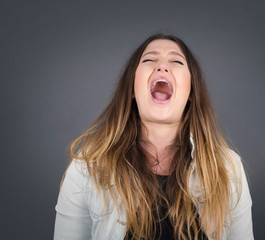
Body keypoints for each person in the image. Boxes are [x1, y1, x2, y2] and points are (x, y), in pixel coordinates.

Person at [54, 34, 254, 240]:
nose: (162, 66)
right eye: (149, 60)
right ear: (132, 89)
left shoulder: (228, 168)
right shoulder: (86, 168)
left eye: (176, 61)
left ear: (192, 92)